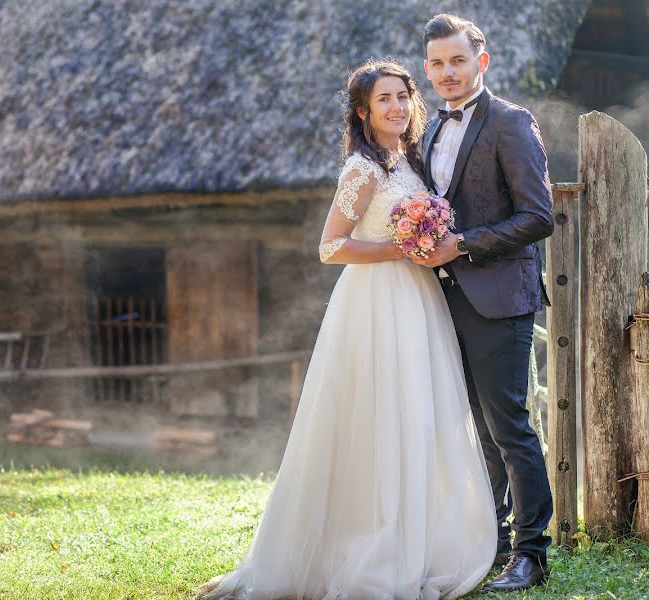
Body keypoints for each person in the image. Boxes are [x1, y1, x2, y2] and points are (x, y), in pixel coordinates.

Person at [197, 58, 496, 600]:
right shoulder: (362, 169)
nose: (398, 107)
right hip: (376, 301)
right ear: (364, 111)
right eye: (384, 99)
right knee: (377, 414)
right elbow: (330, 246)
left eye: (403, 96)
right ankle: (366, 542)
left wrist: (425, 241)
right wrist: (400, 247)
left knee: (418, 412)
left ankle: (419, 536)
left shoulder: (406, 161)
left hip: (418, 298)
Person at [411, 13, 555, 592]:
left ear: (482, 62)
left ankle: (532, 553)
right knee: (477, 425)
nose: (448, 72)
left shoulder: (510, 123)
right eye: (438, 64)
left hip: (500, 296)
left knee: (509, 425)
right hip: (447, 297)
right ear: (427, 69)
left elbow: (538, 217)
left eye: (459, 61)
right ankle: (491, 542)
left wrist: (461, 243)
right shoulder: (428, 132)